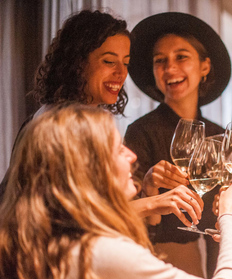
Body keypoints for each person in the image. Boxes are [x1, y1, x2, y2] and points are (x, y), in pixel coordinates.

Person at [0, 104, 232, 279]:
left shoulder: (42, 237)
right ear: (89, 169)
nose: (132, 155)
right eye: (118, 149)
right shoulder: (100, 254)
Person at [0, 9, 202, 225]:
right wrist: (152, 203)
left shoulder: (90, 119)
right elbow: (73, 219)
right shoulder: (58, 124)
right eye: (109, 61)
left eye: (125, 63)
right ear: (78, 63)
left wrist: (150, 192)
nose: (121, 73)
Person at [124, 12, 231, 277]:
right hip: (164, 265)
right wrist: (150, 188)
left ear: (204, 66)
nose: (170, 68)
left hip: (218, 262)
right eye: (160, 61)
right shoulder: (140, 131)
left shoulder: (219, 135)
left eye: (181, 57)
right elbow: (128, 219)